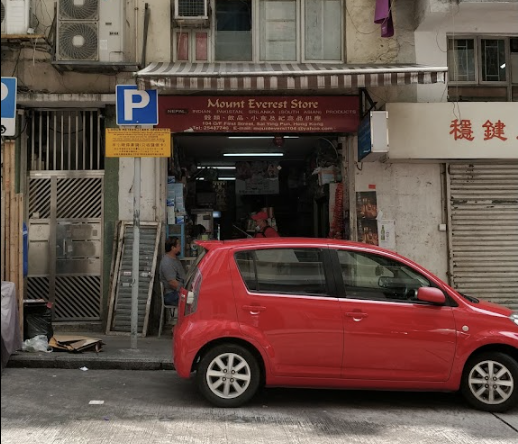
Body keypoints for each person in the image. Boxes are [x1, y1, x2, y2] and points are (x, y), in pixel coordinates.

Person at [159, 237, 186, 306]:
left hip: (178, 292)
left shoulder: (175, 259)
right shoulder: (167, 262)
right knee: (193, 300)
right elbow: (173, 283)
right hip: (171, 294)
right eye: (178, 245)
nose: (180, 247)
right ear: (173, 248)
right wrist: (187, 291)